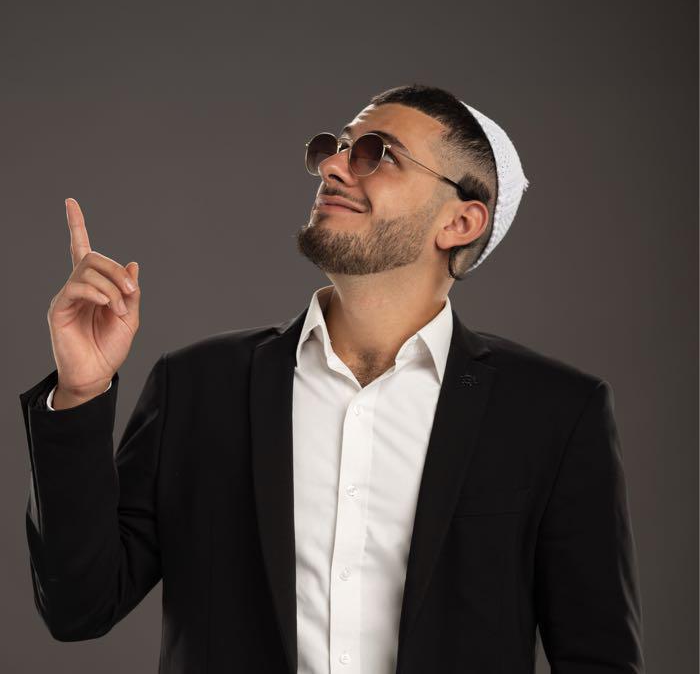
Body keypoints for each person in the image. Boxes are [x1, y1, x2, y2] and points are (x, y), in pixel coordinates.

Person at [19, 83, 645, 673]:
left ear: (460, 223)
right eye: (335, 147)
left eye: (378, 154)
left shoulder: (555, 414)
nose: (334, 167)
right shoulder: (198, 387)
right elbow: (79, 606)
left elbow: (598, 658)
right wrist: (80, 393)